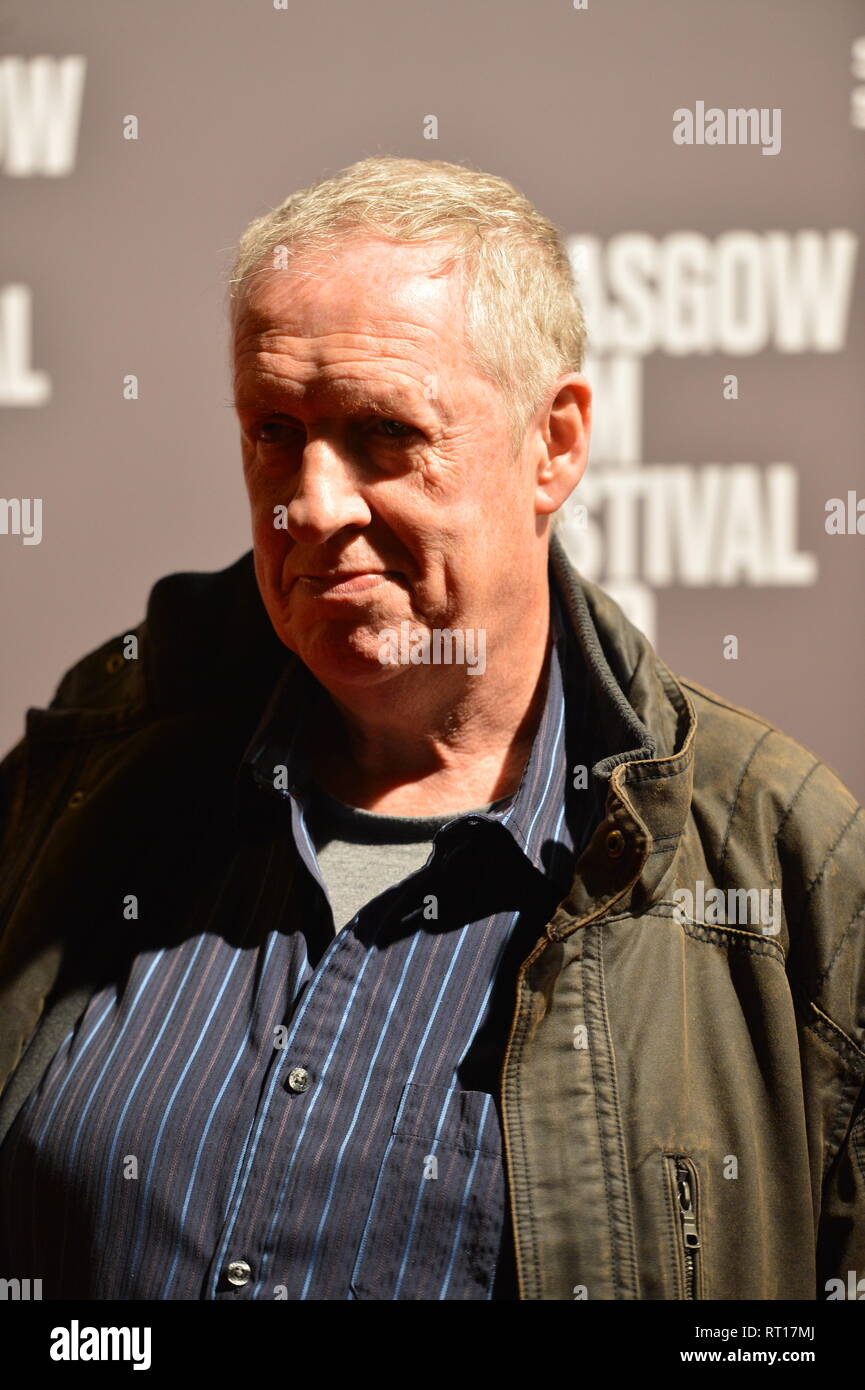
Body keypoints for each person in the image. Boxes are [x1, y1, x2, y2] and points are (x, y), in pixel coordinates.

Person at [0, 156, 862, 1301]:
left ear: (553, 444)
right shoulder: (95, 768)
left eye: (380, 434)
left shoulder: (777, 864)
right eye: (273, 429)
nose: (311, 502)